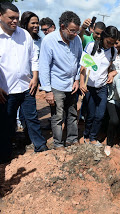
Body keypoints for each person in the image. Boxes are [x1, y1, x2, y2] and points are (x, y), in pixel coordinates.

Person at [0, 2, 48, 163]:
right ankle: (5, 155)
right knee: (7, 122)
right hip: (6, 90)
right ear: (0, 16)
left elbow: (33, 57)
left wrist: (35, 77)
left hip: (27, 86)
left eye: (17, 18)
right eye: (11, 18)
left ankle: (40, 147)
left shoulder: (24, 35)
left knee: (32, 118)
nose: (15, 21)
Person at [39, 11, 83, 150]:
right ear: (62, 27)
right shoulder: (49, 40)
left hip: (72, 85)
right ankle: (58, 144)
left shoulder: (77, 40)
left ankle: (72, 139)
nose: (75, 34)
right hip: (56, 85)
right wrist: (48, 90)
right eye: (72, 31)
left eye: (76, 31)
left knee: (72, 113)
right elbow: (44, 66)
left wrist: (77, 79)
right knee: (57, 116)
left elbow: (79, 60)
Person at [79, 26, 119, 147]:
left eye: (113, 43)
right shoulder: (92, 46)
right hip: (89, 86)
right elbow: (83, 66)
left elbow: (112, 68)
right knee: (90, 114)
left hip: (102, 87)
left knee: (100, 114)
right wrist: (82, 82)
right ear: (103, 37)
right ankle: (86, 135)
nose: (110, 45)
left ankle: (93, 137)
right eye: (108, 42)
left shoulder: (113, 51)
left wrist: (112, 74)